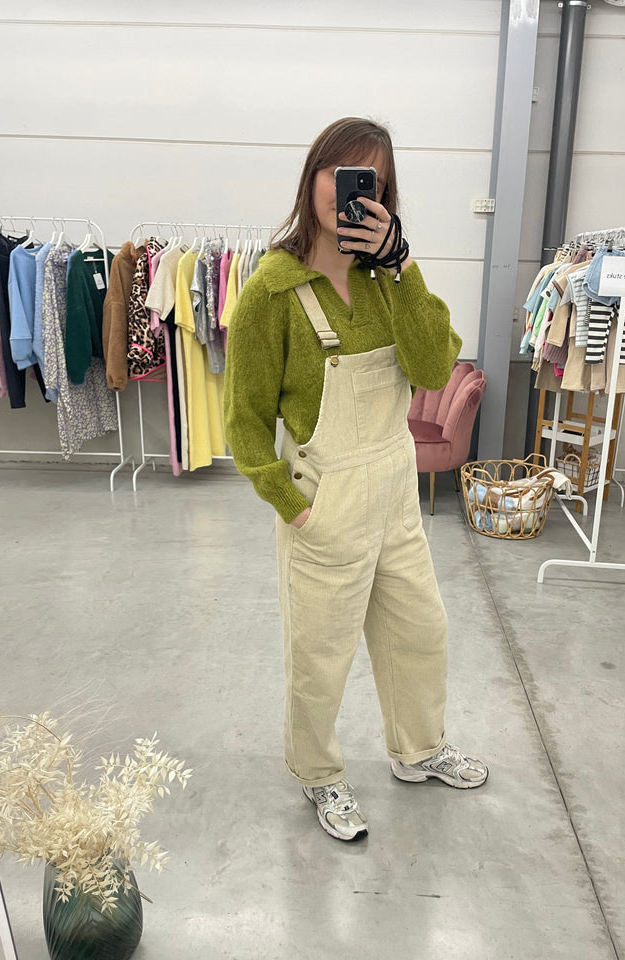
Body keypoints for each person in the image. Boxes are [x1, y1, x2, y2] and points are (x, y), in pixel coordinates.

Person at [223, 117, 488, 843]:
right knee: (320, 657)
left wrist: (402, 265)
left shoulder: (386, 281)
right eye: (340, 175)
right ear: (312, 178)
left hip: (396, 492)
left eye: (370, 182)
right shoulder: (271, 293)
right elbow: (244, 419)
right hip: (326, 502)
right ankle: (318, 773)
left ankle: (419, 749)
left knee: (421, 631)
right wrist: (293, 505)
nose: (351, 194)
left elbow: (433, 367)